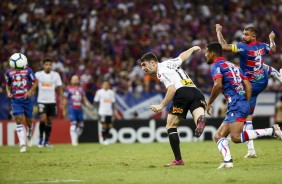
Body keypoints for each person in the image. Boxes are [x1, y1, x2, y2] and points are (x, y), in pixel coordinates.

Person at [205, 42, 282, 169]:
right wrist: (244, 100)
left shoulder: (216, 66)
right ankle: (228, 161)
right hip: (239, 103)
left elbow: (217, 85)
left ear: (212, 54)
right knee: (218, 136)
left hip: (236, 104)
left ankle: (272, 131)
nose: (205, 55)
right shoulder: (233, 65)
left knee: (235, 137)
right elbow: (248, 85)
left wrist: (209, 103)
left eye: (206, 53)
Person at [216, 24, 282, 158]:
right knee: (263, 66)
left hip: (251, 86)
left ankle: (251, 150)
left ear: (253, 36)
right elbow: (273, 49)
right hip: (263, 80)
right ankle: (279, 76)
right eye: (243, 33)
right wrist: (271, 38)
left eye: (246, 34)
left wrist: (218, 31)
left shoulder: (244, 47)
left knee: (247, 118)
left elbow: (224, 46)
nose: (243, 36)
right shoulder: (263, 46)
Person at [140, 46, 207, 167]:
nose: (143, 68)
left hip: (182, 93)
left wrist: (161, 105)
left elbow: (172, 89)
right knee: (197, 115)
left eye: (144, 65)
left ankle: (178, 160)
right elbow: (182, 56)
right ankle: (200, 120)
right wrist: (192, 49)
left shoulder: (161, 72)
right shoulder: (170, 63)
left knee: (170, 125)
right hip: (196, 92)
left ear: (153, 63)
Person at [5, 53, 38, 152]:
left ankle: (29, 132)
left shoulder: (28, 70)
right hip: (16, 100)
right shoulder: (8, 73)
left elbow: (35, 82)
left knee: (29, 121)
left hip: (27, 100)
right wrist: (8, 92)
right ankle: (23, 144)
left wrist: (29, 91)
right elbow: (7, 84)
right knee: (18, 119)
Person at [35, 58, 63, 148]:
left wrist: (62, 98)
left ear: (52, 66)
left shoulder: (56, 75)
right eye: (46, 64)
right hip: (42, 101)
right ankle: (40, 139)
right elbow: (33, 85)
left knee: (50, 121)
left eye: (50, 65)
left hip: (52, 101)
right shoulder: (38, 75)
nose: (48, 66)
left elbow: (59, 88)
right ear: (43, 65)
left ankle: (47, 141)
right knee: (43, 119)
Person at [63, 75, 92, 146]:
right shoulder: (68, 89)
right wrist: (64, 109)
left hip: (79, 109)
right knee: (73, 124)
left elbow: (85, 100)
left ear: (78, 81)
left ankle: (75, 138)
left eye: (76, 79)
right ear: (71, 81)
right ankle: (73, 141)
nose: (75, 80)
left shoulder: (81, 89)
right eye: (73, 79)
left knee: (81, 126)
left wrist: (90, 107)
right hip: (72, 108)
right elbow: (65, 100)